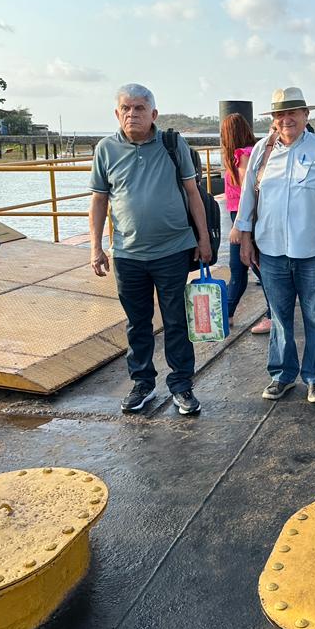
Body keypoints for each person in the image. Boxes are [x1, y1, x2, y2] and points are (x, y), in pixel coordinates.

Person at [89, 83, 211, 415]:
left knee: (176, 321)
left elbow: (192, 192)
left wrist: (203, 240)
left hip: (172, 249)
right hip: (127, 253)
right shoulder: (105, 149)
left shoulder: (173, 144)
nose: (132, 114)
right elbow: (99, 200)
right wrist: (96, 247)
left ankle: (182, 386)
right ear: (117, 114)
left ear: (153, 114)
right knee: (137, 322)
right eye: (125, 108)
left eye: (139, 108)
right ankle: (142, 383)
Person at [235, 87, 315, 404]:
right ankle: (282, 375)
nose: (286, 120)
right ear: (273, 119)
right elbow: (247, 200)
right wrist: (245, 240)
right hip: (270, 253)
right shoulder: (262, 151)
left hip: (312, 254)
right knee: (281, 320)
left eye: (292, 113)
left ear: (305, 116)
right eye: (279, 114)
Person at [222, 112, 272, 335]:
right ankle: (228, 314)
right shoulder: (252, 152)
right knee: (241, 267)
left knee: (253, 265)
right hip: (247, 217)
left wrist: (239, 226)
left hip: (243, 218)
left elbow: (246, 191)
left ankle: (273, 315)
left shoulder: (242, 155)